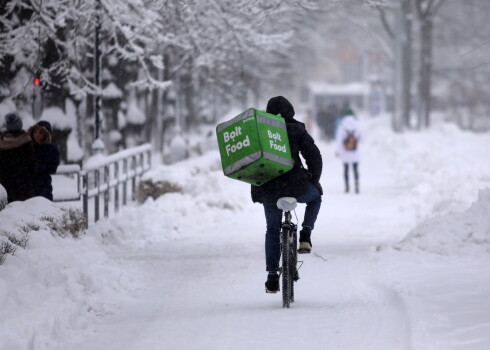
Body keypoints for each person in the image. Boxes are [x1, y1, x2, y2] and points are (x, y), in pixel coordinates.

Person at [251, 96, 323, 294]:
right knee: (316, 197)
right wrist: (314, 180)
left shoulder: (260, 132)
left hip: (270, 189)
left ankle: (272, 277)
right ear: (290, 111)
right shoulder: (296, 129)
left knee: (272, 230)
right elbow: (314, 156)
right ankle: (305, 234)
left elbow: (253, 165)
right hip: (296, 187)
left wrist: (257, 190)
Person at [0, 112, 36, 203]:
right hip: (25, 187)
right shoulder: (27, 143)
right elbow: (33, 165)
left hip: (6, 187)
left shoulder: (2, 144)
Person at [28, 121, 60, 200]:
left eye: (40, 133)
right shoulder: (27, 148)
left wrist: (37, 167)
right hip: (28, 189)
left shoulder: (51, 149)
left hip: (44, 187)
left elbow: (53, 167)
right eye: (35, 132)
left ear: (46, 135)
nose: (37, 135)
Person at [335, 108, 362, 194]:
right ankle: (357, 185)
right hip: (355, 151)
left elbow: (339, 140)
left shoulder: (342, 125)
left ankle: (347, 186)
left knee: (346, 170)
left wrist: (337, 150)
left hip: (345, 151)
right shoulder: (358, 125)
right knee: (355, 169)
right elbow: (362, 138)